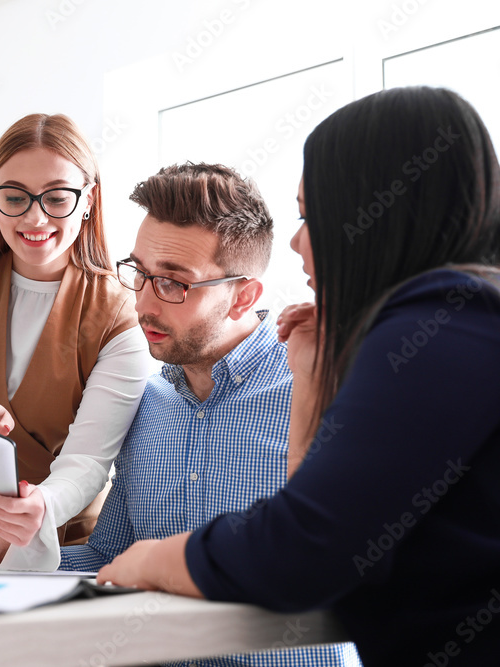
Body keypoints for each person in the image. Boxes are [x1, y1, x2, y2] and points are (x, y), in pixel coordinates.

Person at [97, 87, 500, 666]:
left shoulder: (445, 320)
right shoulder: (453, 321)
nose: (297, 241)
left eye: (313, 214)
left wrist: (157, 558)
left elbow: (308, 547)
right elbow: (339, 525)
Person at [0, 162, 362, 665]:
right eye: (140, 274)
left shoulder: (317, 387)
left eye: (173, 283)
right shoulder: (148, 405)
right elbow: (110, 558)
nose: (144, 303)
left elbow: (346, 563)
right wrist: (4, 551)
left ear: (244, 296)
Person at [0, 113, 149, 567]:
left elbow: (87, 463)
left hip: (61, 545)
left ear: (88, 200)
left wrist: (36, 513)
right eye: (15, 197)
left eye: (57, 197)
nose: (35, 217)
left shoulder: (121, 311)